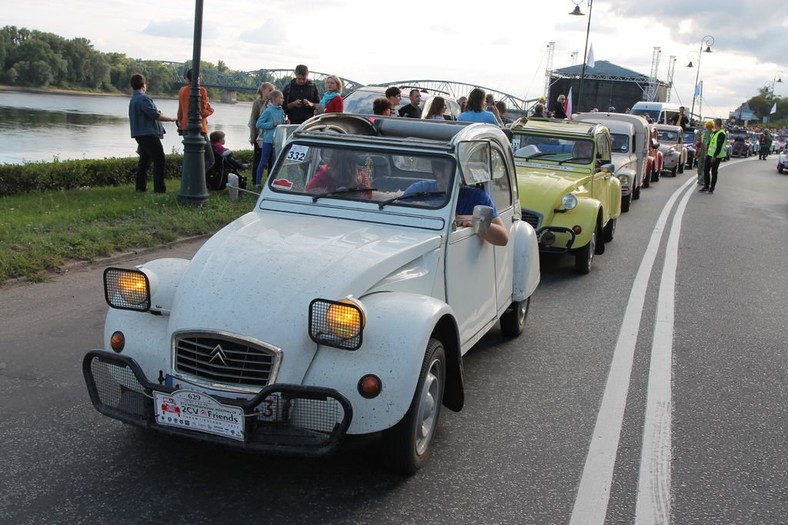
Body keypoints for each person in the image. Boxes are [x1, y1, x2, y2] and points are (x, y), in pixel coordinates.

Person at [402, 160, 508, 246]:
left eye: (462, 168)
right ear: (438, 172)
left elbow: (503, 239)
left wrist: (476, 221)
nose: (462, 174)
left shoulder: (477, 197)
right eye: (456, 168)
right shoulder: (417, 190)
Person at [128, 74, 177, 193]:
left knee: (144, 161)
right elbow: (155, 115)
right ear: (144, 85)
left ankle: (140, 188)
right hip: (148, 134)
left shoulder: (133, 99)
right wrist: (172, 119)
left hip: (139, 134)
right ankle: (159, 190)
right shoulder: (143, 98)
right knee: (159, 160)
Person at [177, 68, 215, 171]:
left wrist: (181, 123)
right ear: (197, 78)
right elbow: (201, 113)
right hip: (199, 129)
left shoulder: (182, 90)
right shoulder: (201, 90)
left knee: (191, 157)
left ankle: (188, 179)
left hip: (185, 127)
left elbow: (180, 111)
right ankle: (196, 181)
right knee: (209, 159)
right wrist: (210, 109)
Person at [305, 149, 372, 195]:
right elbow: (308, 195)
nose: (362, 167)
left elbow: (368, 198)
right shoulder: (324, 175)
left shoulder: (361, 175)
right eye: (356, 163)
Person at [255, 89, 285, 186]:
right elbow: (259, 124)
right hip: (268, 140)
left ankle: (272, 183)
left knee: (276, 162)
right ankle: (257, 183)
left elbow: (280, 125)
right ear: (274, 99)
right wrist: (271, 124)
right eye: (281, 98)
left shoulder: (281, 111)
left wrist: (286, 123)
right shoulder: (268, 110)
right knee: (263, 161)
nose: (283, 99)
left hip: (279, 140)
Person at [248, 82, 274, 176]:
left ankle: (270, 179)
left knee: (272, 159)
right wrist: (252, 136)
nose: (272, 92)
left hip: (271, 136)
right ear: (263, 91)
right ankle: (255, 180)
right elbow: (253, 120)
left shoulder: (274, 103)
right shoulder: (257, 103)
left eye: (273, 90)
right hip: (259, 136)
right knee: (258, 158)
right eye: (269, 90)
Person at [700, 118, 726, 194]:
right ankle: (706, 186)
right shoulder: (715, 132)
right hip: (709, 154)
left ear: (716, 124)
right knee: (706, 170)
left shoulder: (721, 133)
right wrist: (707, 154)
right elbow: (710, 144)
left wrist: (715, 156)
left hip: (716, 156)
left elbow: (719, 146)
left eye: (714, 123)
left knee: (714, 172)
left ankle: (712, 188)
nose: (713, 125)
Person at [696, 120, 714, 184]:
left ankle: (701, 180)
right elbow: (698, 141)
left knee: (705, 166)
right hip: (701, 151)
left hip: (708, 152)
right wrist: (698, 142)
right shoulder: (703, 133)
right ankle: (699, 177)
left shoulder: (713, 134)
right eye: (708, 126)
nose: (709, 127)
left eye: (710, 126)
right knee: (699, 166)